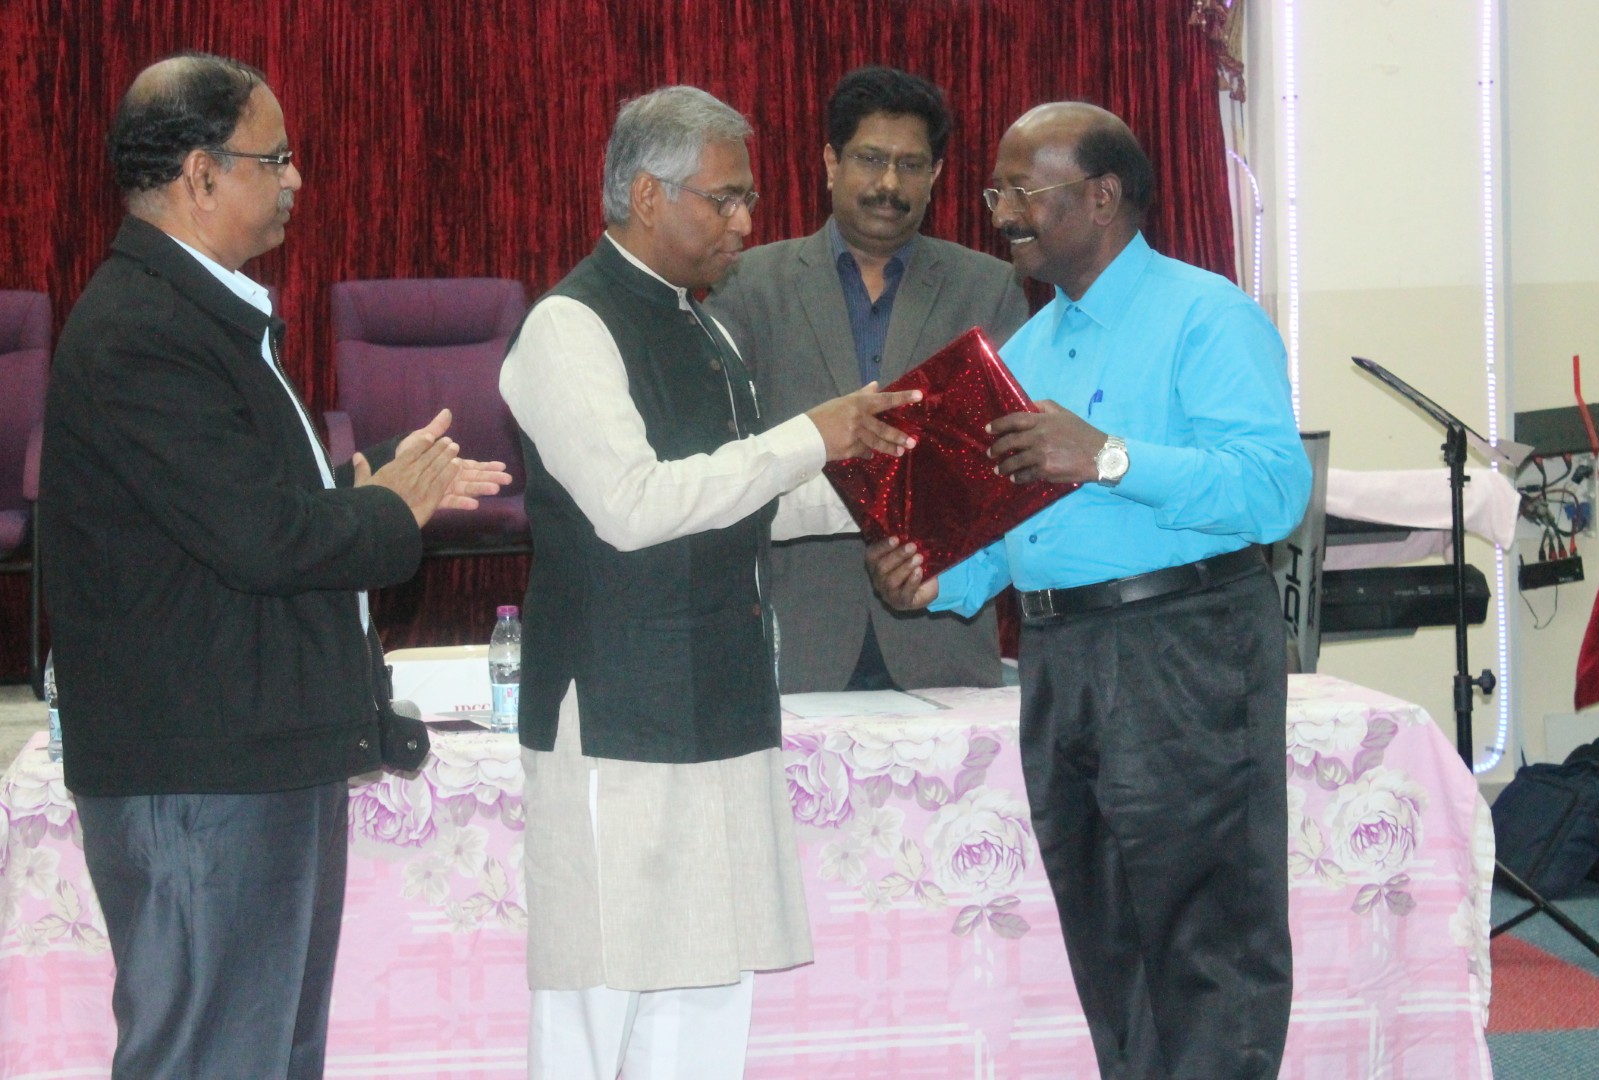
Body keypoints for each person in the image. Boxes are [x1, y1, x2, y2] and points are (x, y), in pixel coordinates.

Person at [39, 52, 508, 1079]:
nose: (297, 179)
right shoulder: (143, 330)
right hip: (200, 778)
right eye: (277, 157)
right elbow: (261, 539)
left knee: (269, 1056)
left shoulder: (194, 308)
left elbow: (238, 503)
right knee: (213, 1056)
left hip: (250, 756)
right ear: (202, 174)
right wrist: (389, 510)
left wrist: (370, 477)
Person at [868, 102, 1311, 1080]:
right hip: (1059, 660)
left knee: (1208, 946)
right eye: (996, 191)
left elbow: (1275, 491)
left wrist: (1107, 455)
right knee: (1111, 948)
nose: (1001, 213)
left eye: (1023, 191)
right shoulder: (1024, 353)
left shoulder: (1207, 314)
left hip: (1184, 647)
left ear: (1103, 196)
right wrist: (931, 579)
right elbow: (1009, 536)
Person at [498, 86, 918, 1080]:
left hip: (720, 699)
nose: (745, 222)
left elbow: (741, 502)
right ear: (648, 195)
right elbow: (633, 507)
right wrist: (808, 437)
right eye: (725, 200)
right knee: (600, 1008)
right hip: (617, 713)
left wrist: (888, 498)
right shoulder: (568, 327)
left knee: (704, 1001)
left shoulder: (707, 327)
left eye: (749, 199)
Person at [708, 65, 1027, 693]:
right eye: (870, 159)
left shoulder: (990, 288)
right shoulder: (746, 286)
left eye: (911, 165)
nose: (888, 183)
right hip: (794, 634)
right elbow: (720, 457)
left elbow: (1009, 466)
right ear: (831, 163)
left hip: (941, 635)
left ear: (936, 174)